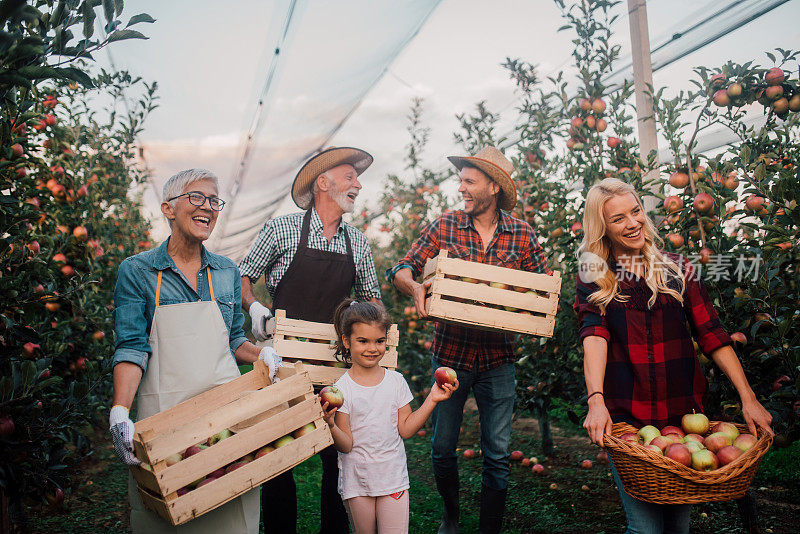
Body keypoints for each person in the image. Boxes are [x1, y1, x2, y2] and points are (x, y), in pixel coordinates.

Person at [575, 178, 773, 534]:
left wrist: (749, 397)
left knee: (678, 526)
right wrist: (596, 400)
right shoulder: (596, 277)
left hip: (683, 419)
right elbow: (594, 336)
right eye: (618, 219)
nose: (633, 222)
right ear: (602, 228)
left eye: (635, 211)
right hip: (628, 419)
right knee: (646, 528)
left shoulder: (678, 268)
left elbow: (712, 335)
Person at [388, 146, 551, 534]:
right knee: (443, 448)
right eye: (460, 180)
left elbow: (543, 290)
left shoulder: (522, 234)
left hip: (499, 358)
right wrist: (413, 286)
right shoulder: (444, 225)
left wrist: (526, 308)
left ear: (493, 186)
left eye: (469, 181)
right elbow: (402, 266)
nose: (461, 188)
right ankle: (451, 517)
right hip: (452, 354)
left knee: (497, 452)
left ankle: (489, 529)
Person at [109, 169, 283, 534]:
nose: (208, 207)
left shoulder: (226, 272)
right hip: (165, 420)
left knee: (229, 508)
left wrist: (260, 354)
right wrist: (120, 410)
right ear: (168, 209)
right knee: (168, 510)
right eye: (197, 197)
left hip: (222, 418)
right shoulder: (138, 271)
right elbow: (132, 346)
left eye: (214, 201)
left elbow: (233, 339)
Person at [239, 147, 382, 533]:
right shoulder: (280, 229)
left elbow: (372, 298)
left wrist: (369, 327)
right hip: (283, 362)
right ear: (324, 183)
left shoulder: (357, 241)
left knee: (338, 458)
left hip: (336, 365)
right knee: (278, 456)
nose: (358, 184)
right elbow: (244, 275)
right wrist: (253, 307)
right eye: (350, 176)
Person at [322, 299, 457, 534]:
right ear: (346, 341)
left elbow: (405, 429)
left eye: (379, 341)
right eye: (363, 341)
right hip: (358, 481)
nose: (372, 348)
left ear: (387, 341)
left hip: (392, 477)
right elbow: (346, 445)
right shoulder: (342, 388)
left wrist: (432, 399)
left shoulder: (395, 382)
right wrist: (331, 425)